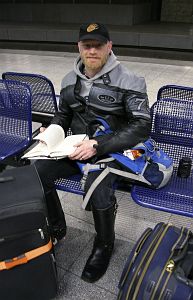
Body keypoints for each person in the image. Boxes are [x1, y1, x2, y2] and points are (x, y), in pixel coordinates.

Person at [35, 22, 151, 283]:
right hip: (77, 148)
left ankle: (104, 244)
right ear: (79, 47)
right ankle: (57, 227)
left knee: (99, 184)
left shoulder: (130, 81)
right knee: (37, 171)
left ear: (109, 46)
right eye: (87, 46)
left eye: (98, 45)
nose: (92, 50)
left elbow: (141, 127)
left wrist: (98, 145)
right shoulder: (68, 81)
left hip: (114, 151)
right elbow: (62, 116)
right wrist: (51, 132)